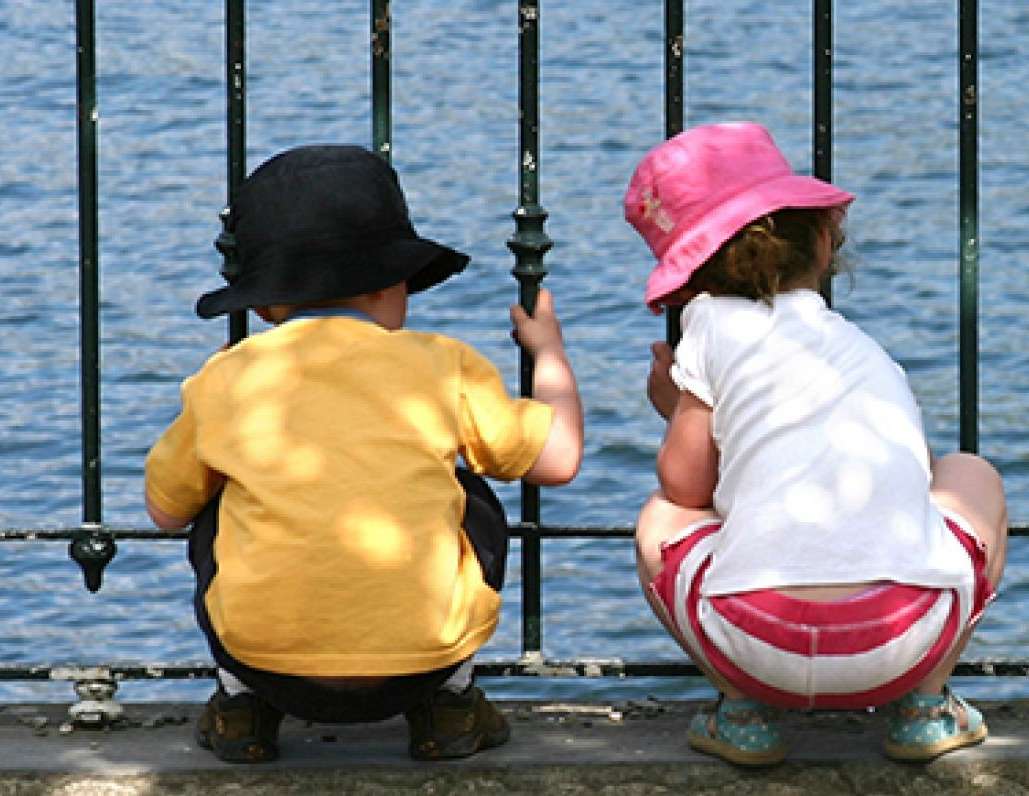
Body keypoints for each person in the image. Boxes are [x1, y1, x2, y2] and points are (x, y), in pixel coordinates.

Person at [144, 145, 583, 763]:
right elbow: (558, 460)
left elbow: (165, 511)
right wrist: (551, 355)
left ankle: (240, 706)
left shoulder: (227, 379)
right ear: (392, 283)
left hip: (268, 662)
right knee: (471, 494)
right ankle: (450, 703)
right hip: (421, 664)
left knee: (215, 506)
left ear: (266, 305)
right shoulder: (442, 365)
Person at [623, 122, 1007, 767]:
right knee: (970, 471)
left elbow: (686, 487)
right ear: (824, 241)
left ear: (689, 278)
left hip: (755, 645)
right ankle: (927, 706)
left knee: (661, 515)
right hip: (903, 640)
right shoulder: (859, 348)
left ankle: (741, 712)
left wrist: (677, 410)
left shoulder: (709, 330)